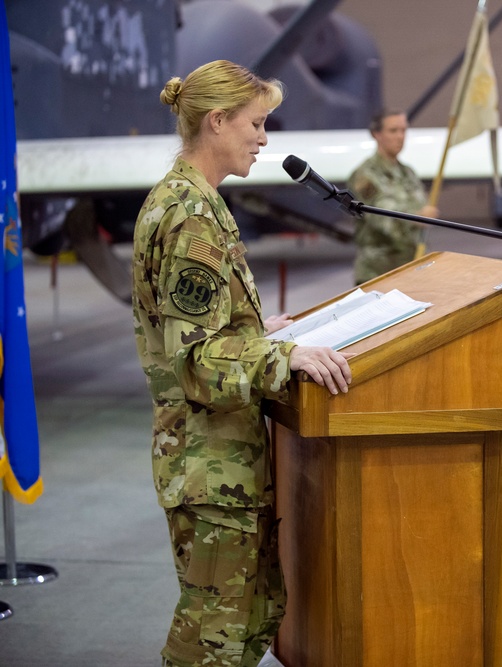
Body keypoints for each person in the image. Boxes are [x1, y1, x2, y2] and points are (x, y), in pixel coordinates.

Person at [132, 60, 353, 667]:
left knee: (250, 621)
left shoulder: (197, 201)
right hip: (209, 464)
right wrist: (285, 357)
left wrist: (258, 331)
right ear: (217, 120)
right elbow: (197, 363)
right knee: (212, 640)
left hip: (227, 460)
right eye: (255, 123)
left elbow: (204, 333)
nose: (263, 138)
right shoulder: (188, 216)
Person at [347, 109, 439, 285]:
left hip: (412, 268)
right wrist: (417, 218)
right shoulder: (364, 176)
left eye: (404, 130)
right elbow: (382, 218)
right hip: (378, 273)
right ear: (376, 134)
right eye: (393, 130)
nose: (400, 137)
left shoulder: (408, 173)